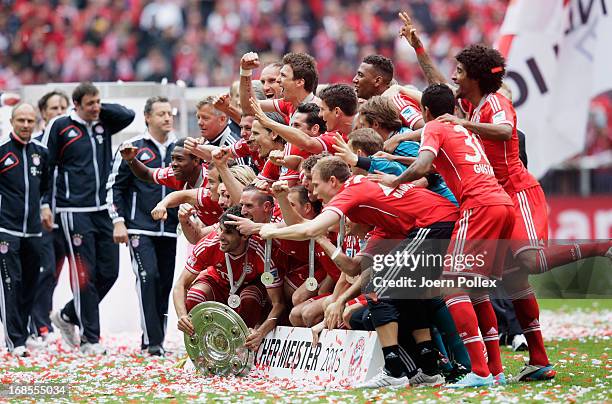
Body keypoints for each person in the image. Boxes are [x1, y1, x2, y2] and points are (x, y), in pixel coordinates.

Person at [372, 83, 516, 387]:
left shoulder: (434, 127)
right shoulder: (461, 128)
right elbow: (433, 164)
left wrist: (395, 182)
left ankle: (478, 371)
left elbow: (424, 165)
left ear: (425, 111)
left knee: (452, 286)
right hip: (502, 202)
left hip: (478, 205)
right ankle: (496, 370)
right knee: (476, 289)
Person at [43, 82, 135, 355]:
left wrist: (98, 108)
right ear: (76, 106)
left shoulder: (102, 122)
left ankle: (68, 315)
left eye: (98, 102)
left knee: (110, 272)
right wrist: (45, 204)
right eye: (90, 104)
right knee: (85, 276)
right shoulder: (61, 127)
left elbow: (127, 115)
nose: (96, 108)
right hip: (73, 211)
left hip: (103, 209)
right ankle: (90, 340)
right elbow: (48, 167)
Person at [106, 96, 178, 356]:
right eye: (161, 114)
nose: (167, 118)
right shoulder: (132, 148)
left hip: (169, 229)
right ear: (147, 117)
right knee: (149, 278)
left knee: (165, 283)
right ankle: (154, 342)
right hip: (139, 228)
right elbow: (115, 187)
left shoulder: (180, 148)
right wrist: (119, 222)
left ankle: (153, 339)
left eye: (170, 113)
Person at [173, 205, 286, 351]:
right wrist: (182, 316)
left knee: (250, 297)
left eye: (228, 232)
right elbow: (180, 285)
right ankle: (203, 348)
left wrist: (261, 332)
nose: (220, 236)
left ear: (244, 236)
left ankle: (242, 347)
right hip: (217, 284)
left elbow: (279, 304)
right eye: (220, 229)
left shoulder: (262, 251)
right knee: (195, 295)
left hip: (247, 288)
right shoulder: (209, 244)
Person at [0, 103, 51, 357]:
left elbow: (46, 186)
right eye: (21, 120)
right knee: (12, 283)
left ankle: (22, 332)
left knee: (31, 283)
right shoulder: (1, 151)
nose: (26, 125)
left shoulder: (41, 152)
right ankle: (15, 340)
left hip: (33, 231)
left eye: (30, 121)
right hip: (5, 229)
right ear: (12, 121)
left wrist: (44, 207)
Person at [28, 90, 70, 346]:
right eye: (54, 108)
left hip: (67, 218)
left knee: (54, 274)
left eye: (63, 108)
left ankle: (52, 320)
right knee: (42, 272)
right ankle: (39, 325)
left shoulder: (72, 144)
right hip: (40, 219)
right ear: (43, 113)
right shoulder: (35, 145)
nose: (59, 113)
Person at [240, 52, 319, 125]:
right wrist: (245, 71)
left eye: (283, 75)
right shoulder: (288, 104)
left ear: (299, 82)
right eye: (263, 82)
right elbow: (249, 107)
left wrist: (268, 123)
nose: (278, 80)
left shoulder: (320, 111)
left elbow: (305, 140)